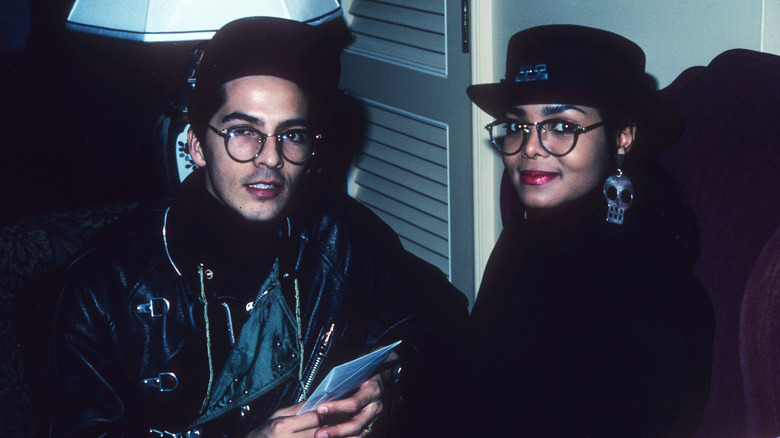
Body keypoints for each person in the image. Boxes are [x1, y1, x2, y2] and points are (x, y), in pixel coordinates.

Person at [48, 16, 467, 438]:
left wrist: (385, 375)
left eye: (291, 134)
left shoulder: (338, 233)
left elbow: (440, 312)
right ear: (196, 144)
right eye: (243, 131)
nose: (270, 158)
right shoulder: (103, 284)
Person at [462, 25, 714, 437]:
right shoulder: (529, 237)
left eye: (561, 125)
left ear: (622, 137)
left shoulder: (643, 292)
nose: (529, 148)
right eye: (517, 125)